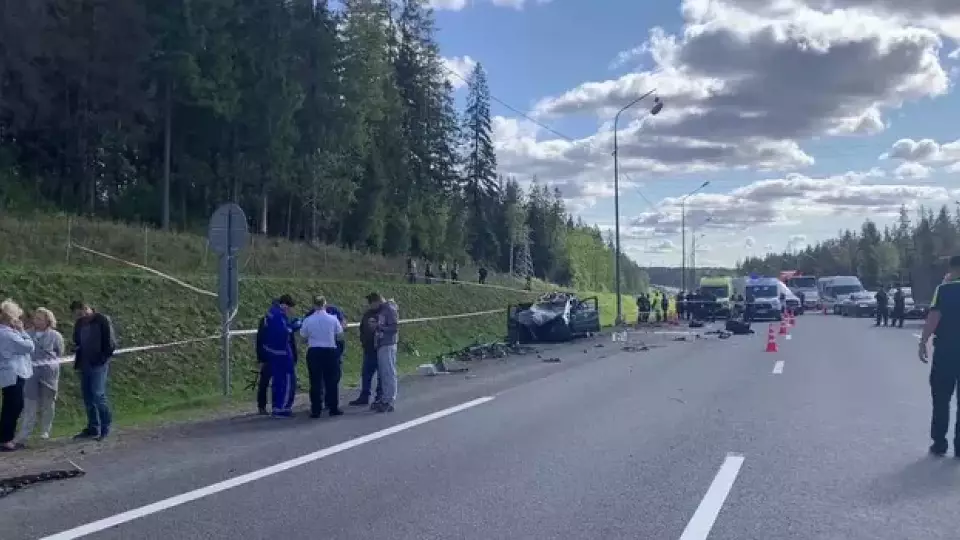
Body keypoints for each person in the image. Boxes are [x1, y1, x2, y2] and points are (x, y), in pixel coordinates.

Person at [919, 256, 960, 456]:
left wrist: (923, 342)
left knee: (941, 398)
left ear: (953, 269)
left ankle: (939, 443)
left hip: (947, 351)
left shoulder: (944, 290)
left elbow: (934, 317)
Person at [70, 300, 116, 440]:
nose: (82, 314)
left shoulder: (102, 320)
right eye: (78, 313)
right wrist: (76, 348)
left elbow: (110, 343)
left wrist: (102, 359)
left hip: (98, 363)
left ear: (89, 308)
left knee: (98, 395)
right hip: (84, 362)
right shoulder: (79, 323)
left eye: (84, 310)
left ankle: (105, 425)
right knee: (88, 396)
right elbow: (77, 340)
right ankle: (92, 427)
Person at [17, 307, 64, 443]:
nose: (36, 321)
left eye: (40, 319)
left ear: (47, 321)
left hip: (49, 375)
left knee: (48, 404)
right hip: (30, 375)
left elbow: (59, 353)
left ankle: (45, 431)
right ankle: (25, 434)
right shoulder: (26, 334)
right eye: (35, 318)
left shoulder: (56, 336)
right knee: (29, 405)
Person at [300, 296, 344, 418]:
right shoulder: (332, 319)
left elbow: (303, 338)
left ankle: (316, 409)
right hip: (330, 350)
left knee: (315, 381)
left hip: (314, 351)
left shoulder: (308, 320)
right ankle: (333, 407)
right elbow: (340, 336)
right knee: (332, 381)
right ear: (325, 304)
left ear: (314, 305)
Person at [0, 300, 34, 452]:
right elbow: (29, 347)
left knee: (12, 405)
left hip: (10, 372)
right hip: (14, 372)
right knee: (13, 406)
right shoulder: (8, 334)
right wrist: (22, 331)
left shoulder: (6, 332)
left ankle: (6, 437)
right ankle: (5, 439)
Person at [254, 309, 299, 415]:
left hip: (276, 354)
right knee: (267, 380)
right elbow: (260, 339)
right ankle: (263, 405)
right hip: (272, 355)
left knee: (275, 381)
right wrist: (261, 356)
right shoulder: (269, 321)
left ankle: (274, 405)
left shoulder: (282, 320)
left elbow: (290, 339)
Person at [368, 292, 399, 413]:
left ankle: (389, 400)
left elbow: (394, 328)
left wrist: (379, 327)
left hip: (388, 344)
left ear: (377, 301)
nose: (371, 307)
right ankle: (385, 398)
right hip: (381, 344)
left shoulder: (389, 309)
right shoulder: (382, 311)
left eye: (372, 304)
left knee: (389, 373)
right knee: (383, 374)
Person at [349, 302, 383, 407]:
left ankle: (380, 396)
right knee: (366, 374)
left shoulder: (383, 314)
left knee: (381, 374)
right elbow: (362, 328)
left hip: (380, 349)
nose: (371, 304)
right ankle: (364, 396)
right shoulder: (367, 314)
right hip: (368, 348)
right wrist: (363, 341)